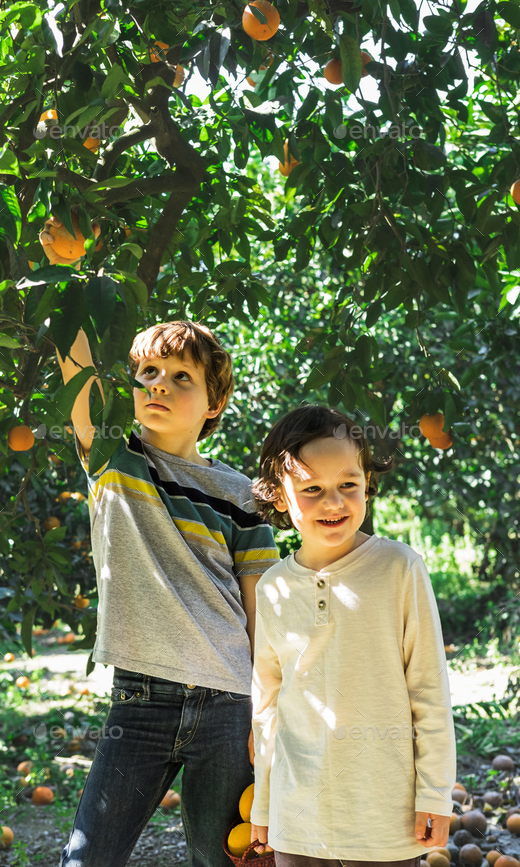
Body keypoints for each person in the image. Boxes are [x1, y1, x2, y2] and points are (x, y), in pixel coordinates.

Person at [39, 217, 280, 867]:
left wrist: (267, 709)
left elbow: (260, 608)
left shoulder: (238, 494)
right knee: (86, 857)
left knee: (221, 858)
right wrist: (71, 276)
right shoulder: (114, 462)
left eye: (181, 377)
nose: (160, 386)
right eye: (148, 372)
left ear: (213, 403)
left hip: (227, 703)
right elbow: (76, 366)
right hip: (139, 701)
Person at [249, 405, 456, 867]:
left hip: (384, 818)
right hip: (297, 817)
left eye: (348, 485)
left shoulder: (399, 568)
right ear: (280, 497)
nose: (334, 502)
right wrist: (265, 804)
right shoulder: (273, 588)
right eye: (312, 489)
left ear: (367, 482)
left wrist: (436, 794)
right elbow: (266, 706)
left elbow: (428, 688)